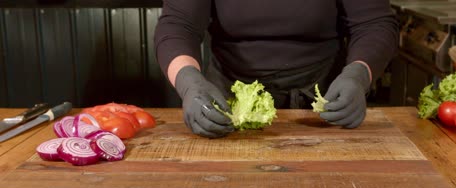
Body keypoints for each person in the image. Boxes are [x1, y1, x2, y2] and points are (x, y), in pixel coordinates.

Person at [154, 1, 399, 138]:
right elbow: (178, 25)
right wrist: (188, 81)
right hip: (228, 107)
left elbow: (374, 23)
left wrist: (358, 75)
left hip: (325, 104)